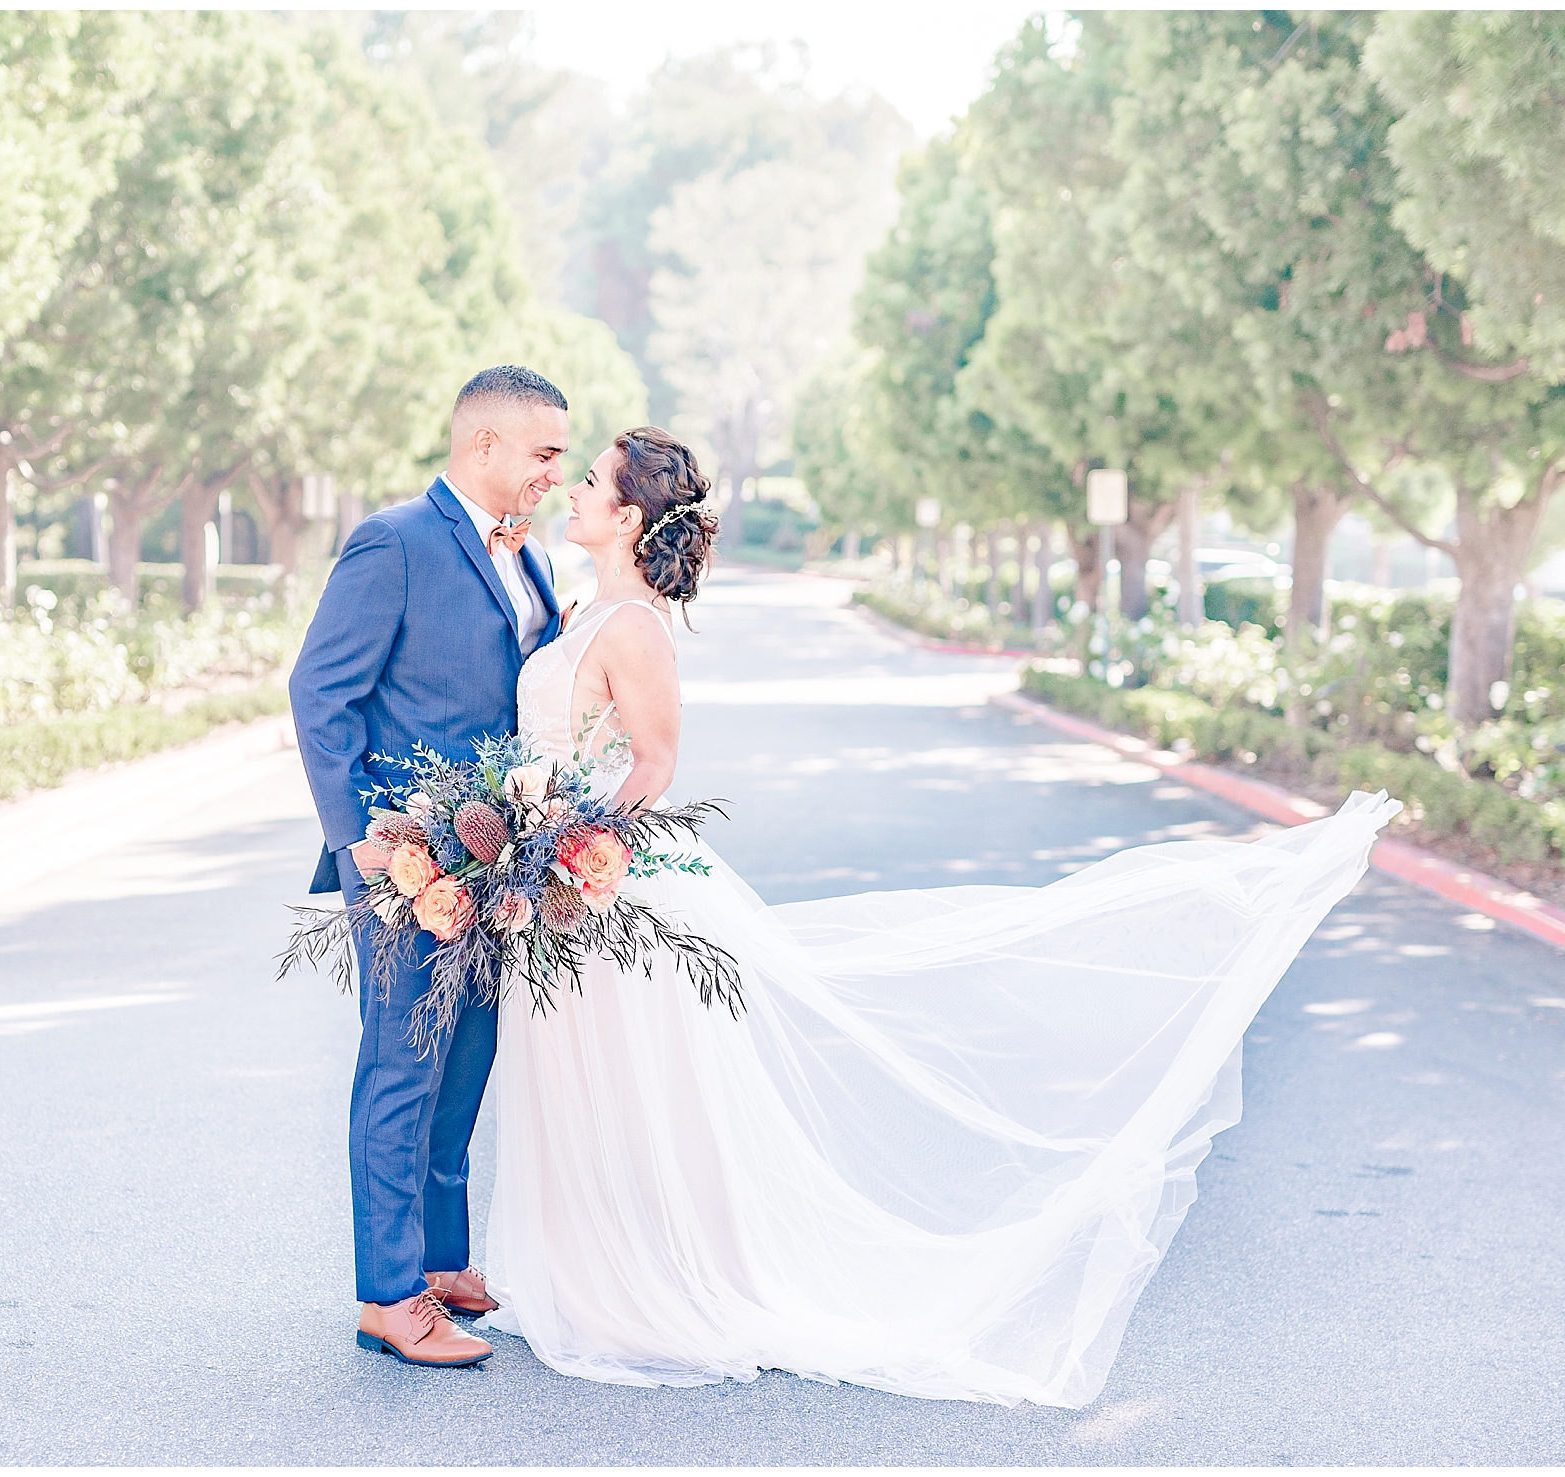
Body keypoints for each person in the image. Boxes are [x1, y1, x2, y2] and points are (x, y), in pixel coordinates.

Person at [474, 425, 1403, 1406]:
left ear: (626, 515)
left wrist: (570, 854)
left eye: (587, 482)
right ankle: (585, 1274)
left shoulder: (636, 628)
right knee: (579, 1081)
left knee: (639, 1088)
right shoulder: (586, 607)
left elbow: (655, 767)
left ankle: (651, 1286)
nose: (571, 493)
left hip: (609, 880)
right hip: (562, 881)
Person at [289, 365, 570, 1369]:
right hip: (409, 866)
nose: (553, 475)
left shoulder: (524, 557)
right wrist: (357, 829)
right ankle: (386, 1295)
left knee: (466, 1065)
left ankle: (442, 1263)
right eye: (543, 454)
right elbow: (319, 690)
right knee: (401, 1071)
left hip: (498, 866)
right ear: (481, 445)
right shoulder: (393, 541)